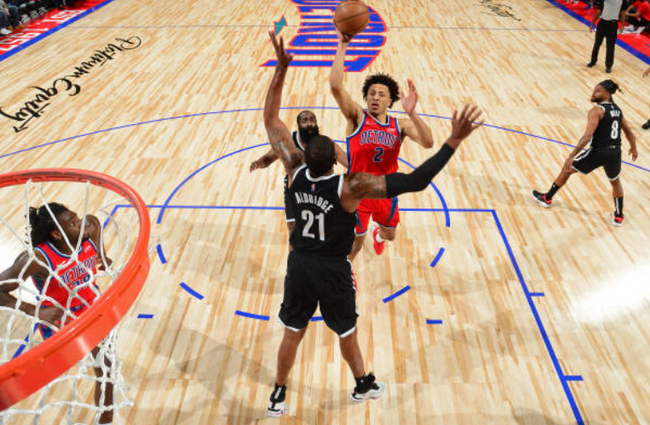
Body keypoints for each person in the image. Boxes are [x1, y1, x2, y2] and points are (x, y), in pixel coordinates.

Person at [262, 31, 483, 418]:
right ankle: (362, 383)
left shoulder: (293, 170)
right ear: (336, 159)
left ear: (301, 156)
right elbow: (416, 180)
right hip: (333, 271)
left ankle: (278, 394)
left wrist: (280, 70)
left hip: (299, 265)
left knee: (292, 333)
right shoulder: (351, 187)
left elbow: (271, 118)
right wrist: (454, 141)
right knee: (347, 332)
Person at [0, 203, 114, 424]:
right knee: (37, 380)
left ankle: (105, 420)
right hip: (60, 321)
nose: (79, 223)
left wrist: (102, 255)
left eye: (76, 217)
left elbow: (94, 222)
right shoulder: (38, 259)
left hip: (91, 309)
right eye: (72, 223)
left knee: (107, 368)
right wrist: (36, 311)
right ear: (56, 234)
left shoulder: (88, 228)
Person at [330, 30, 434, 261]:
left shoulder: (400, 125)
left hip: (385, 192)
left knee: (390, 235)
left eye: (381, 94)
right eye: (371, 93)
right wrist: (342, 45)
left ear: (390, 100)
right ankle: (347, 273)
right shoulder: (357, 117)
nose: (375, 97)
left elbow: (428, 143)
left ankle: (378, 235)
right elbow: (336, 87)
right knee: (354, 245)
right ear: (366, 98)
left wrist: (413, 114)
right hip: (356, 191)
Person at [532, 80, 638, 226]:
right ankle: (619, 215)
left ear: (607, 94)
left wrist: (571, 156)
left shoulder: (596, 111)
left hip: (599, 152)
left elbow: (587, 137)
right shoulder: (618, 110)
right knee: (615, 182)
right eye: (594, 90)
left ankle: (547, 198)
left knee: (567, 169)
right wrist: (633, 147)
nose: (594, 93)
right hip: (615, 153)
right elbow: (628, 131)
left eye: (598, 91)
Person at [250, 110, 348, 235]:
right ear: (298, 125)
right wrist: (259, 162)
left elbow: (345, 159)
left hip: (320, 186)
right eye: (305, 121)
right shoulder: (290, 142)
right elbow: (269, 158)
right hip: (296, 185)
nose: (309, 124)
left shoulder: (324, 143)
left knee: (325, 225)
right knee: (293, 227)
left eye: (312, 120)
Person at [587, 0, 628, 73]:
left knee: (610, 46)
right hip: (602, 23)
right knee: (597, 44)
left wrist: (622, 25)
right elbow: (599, 11)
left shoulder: (623, 1)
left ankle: (609, 66)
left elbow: (623, 13)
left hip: (613, 24)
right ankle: (593, 61)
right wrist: (592, 24)